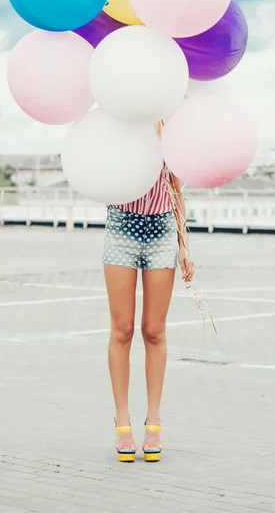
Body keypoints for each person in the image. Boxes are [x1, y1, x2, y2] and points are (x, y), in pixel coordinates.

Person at [103, 123, 195, 462]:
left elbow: (177, 190)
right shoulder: (122, 123)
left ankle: (153, 419)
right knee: (123, 328)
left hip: (161, 230)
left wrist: (184, 246)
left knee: (154, 331)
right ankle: (122, 419)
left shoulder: (171, 128)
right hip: (122, 226)